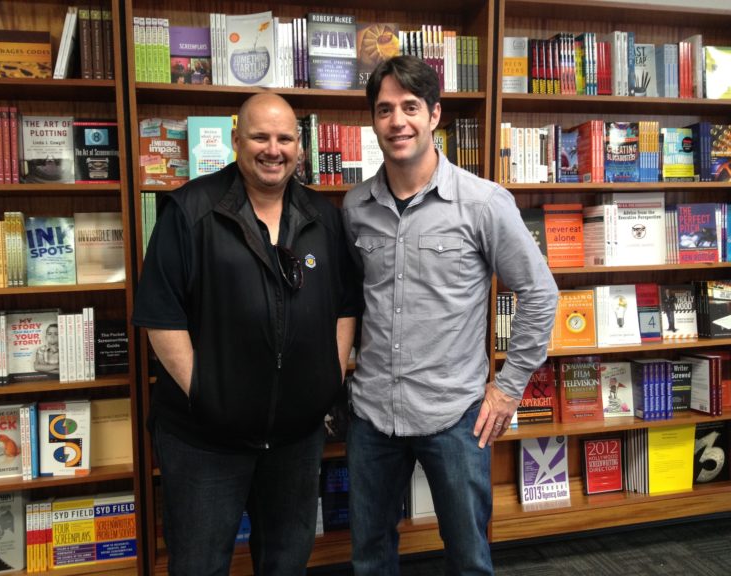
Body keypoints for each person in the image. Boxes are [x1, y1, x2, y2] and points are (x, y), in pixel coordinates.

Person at [342, 55, 558, 575]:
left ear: (435, 115)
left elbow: (539, 292)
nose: (398, 121)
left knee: (468, 559)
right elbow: (349, 300)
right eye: (385, 109)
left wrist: (508, 388)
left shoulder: (484, 203)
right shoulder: (354, 207)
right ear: (373, 120)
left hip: (455, 417)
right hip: (372, 414)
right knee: (369, 558)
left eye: (410, 107)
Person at [132, 93, 358, 576]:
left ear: (300, 146)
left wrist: (327, 380)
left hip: (296, 438)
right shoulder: (190, 210)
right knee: (199, 564)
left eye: (284, 138)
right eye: (259, 137)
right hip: (205, 439)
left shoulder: (324, 217)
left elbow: (344, 306)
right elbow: (161, 315)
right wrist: (208, 395)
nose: (272, 149)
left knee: (285, 561)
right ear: (237, 140)